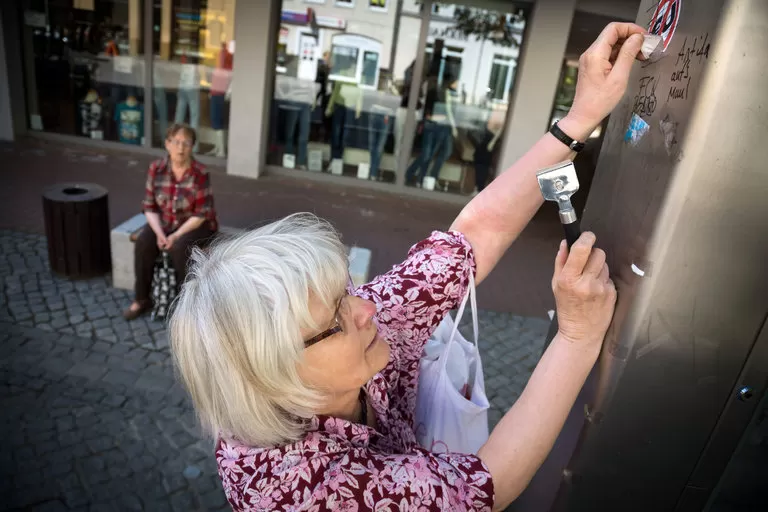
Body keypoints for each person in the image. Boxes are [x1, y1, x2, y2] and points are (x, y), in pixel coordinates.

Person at [169, 23, 646, 510]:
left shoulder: (358, 325)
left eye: (345, 291)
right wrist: (578, 337)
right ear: (276, 375)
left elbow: (468, 241)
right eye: (335, 320)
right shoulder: (297, 488)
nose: (366, 308)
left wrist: (581, 114)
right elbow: (484, 486)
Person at [123, 123, 218, 320]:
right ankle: (141, 299)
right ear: (167, 144)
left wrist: (174, 235)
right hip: (164, 223)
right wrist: (159, 233)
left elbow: (201, 214)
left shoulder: (200, 172)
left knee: (179, 247)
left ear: (192, 146)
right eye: (176, 142)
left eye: (186, 143)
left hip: (196, 225)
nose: (181, 148)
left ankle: (186, 304)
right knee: (143, 243)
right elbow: (149, 206)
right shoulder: (156, 169)